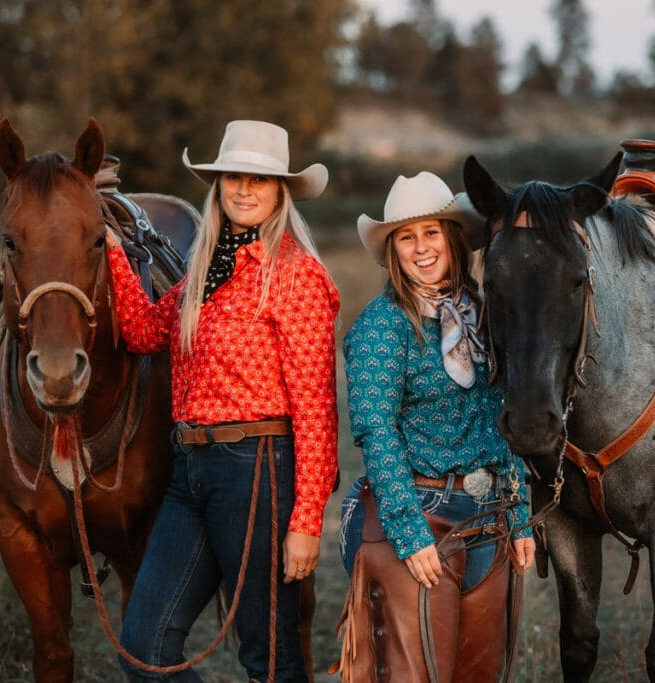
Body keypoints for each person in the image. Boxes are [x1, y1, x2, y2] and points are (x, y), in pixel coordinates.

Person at [106, 120, 339, 682]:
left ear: (280, 191)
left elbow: (316, 408)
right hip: (189, 470)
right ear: (218, 186)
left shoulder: (295, 275)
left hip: (255, 467)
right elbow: (143, 333)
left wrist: (306, 520)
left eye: (259, 180)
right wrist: (109, 249)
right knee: (143, 648)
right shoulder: (203, 271)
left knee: (269, 656)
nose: (244, 189)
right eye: (234, 177)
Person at [337, 171, 536, 681]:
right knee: (416, 673)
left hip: (489, 514)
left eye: (431, 233)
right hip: (422, 514)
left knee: (481, 671)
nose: (421, 248)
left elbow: (504, 416)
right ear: (393, 251)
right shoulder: (383, 326)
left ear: (452, 239)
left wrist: (519, 512)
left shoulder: (484, 318)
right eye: (407, 237)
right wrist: (408, 531)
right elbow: (375, 431)